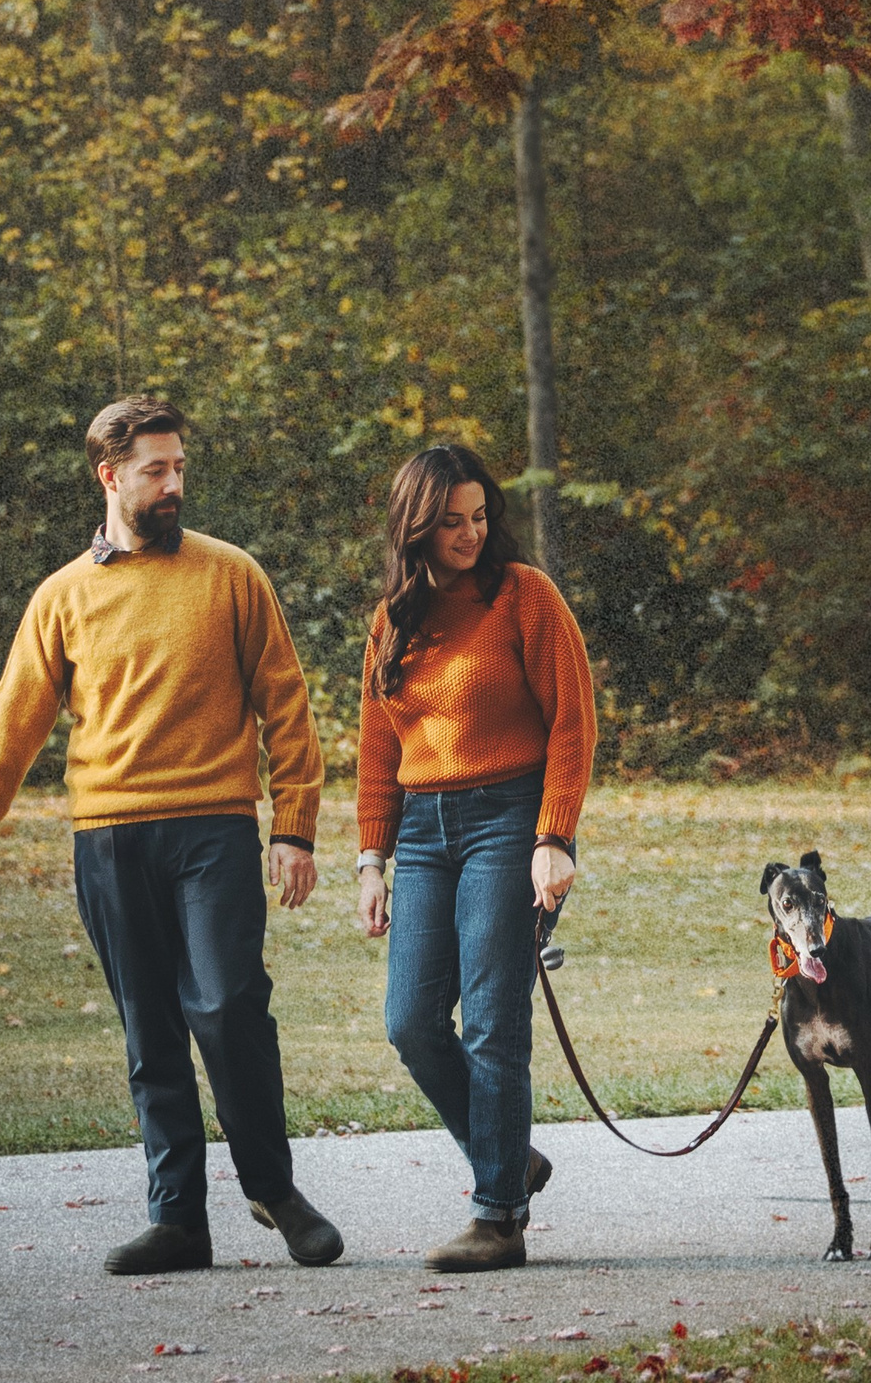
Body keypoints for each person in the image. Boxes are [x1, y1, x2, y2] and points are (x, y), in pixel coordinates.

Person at [0, 395, 342, 1276]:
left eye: (180, 466)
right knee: (150, 1032)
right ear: (111, 476)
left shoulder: (232, 574)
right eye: (157, 468)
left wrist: (293, 825)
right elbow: (10, 728)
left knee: (229, 1006)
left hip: (213, 830)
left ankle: (273, 1185)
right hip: (109, 839)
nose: (174, 482)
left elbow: (287, 705)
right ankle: (178, 1219)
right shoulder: (63, 596)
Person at [354, 442, 598, 1273]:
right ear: (416, 526)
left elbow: (572, 721)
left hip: (509, 819)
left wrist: (553, 837)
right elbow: (377, 751)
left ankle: (498, 1214)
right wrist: (370, 860)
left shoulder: (524, 596)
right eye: (451, 520)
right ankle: (510, 1155)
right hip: (423, 831)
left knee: (495, 1020)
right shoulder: (392, 619)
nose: (469, 532)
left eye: (479, 516)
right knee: (412, 1021)